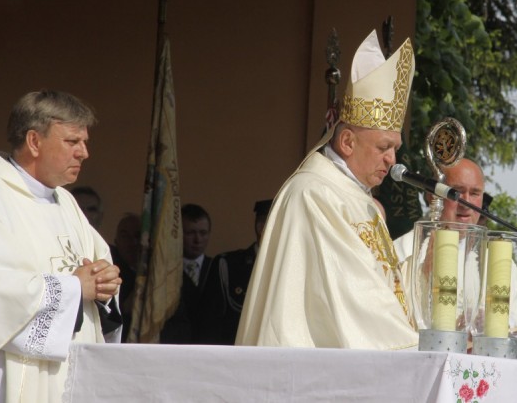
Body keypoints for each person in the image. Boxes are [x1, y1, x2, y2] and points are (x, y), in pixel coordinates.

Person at [236, 30, 417, 349]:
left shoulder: (358, 200)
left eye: (395, 148)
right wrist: (415, 346)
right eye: (384, 147)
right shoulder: (315, 194)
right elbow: (355, 295)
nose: (392, 160)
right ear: (347, 142)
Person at [0, 90, 122, 402]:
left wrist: (106, 283)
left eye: (84, 142)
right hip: (11, 377)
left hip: (72, 373)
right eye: (72, 141)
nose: (84, 153)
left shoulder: (66, 203)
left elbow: (96, 270)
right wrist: (75, 288)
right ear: (34, 141)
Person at [197, 199, 271, 345]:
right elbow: (209, 326)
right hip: (235, 354)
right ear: (260, 226)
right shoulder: (228, 265)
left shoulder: (296, 268)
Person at [394, 157, 485, 262]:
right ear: (432, 196)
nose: (466, 204)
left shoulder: (487, 259)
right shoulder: (403, 252)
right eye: (456, 193)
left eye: (474, 193)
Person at [161, 203, 214, 343]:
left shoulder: (217, 267)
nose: (197, 240)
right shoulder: (164, 271)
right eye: (190, 233)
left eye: (203, 233)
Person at [111, 213, 141, 339]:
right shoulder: (110, 271)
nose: (132, 242)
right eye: (125, 236)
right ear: (116, 242)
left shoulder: (157, 272)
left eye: (137, 236)